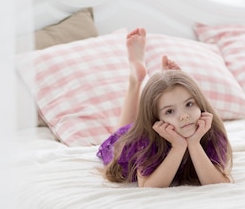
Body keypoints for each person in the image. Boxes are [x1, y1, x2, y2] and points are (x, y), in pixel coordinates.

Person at [97, 27, 233, 187]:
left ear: (200, 104)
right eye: (170, 111)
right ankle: (136, 79)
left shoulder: (210, 132)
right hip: (132, 141)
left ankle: (167, 90)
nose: (184, 116)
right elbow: (148, 186)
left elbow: (219, 183)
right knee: (122, 139)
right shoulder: (145, 140)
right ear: (156, 119)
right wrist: (179, 146)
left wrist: (194, 143)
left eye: (189, 104)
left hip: (167, 124)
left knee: (169, 96)